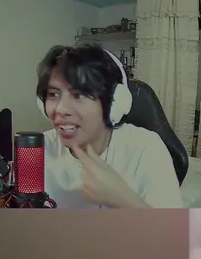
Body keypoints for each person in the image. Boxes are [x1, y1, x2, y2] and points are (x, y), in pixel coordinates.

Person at [36, 44, 183, 209]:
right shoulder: (39, 149)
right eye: (53, 94)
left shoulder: (146, 148)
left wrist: (123, 199)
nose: (61, 109)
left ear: (113, 103)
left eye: (79, 95)